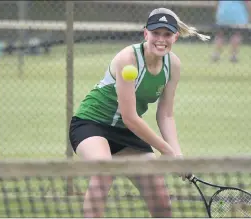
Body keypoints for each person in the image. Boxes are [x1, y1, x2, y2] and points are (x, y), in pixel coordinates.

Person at [69, 8, 210, 218]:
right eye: (156, 33)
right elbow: (130, 117)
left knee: (161, 198)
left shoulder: (173, 65)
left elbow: (166, 115)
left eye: (167, 34)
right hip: (91, 124)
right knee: (103, 171)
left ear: (175, 37)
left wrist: (177, 154)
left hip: (127, 133)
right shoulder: (128, 58)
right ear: (146, 33)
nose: (161, 40)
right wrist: (167, 151)